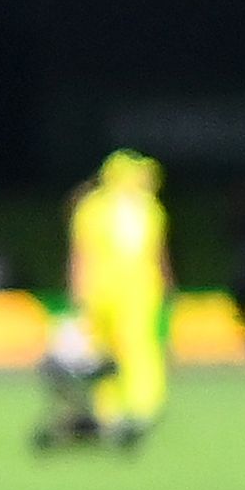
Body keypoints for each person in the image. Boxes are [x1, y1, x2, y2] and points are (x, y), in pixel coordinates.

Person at [66, 149, 169, 446]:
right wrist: (78, 286)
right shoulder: (94, 207)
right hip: (102, 288)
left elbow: (157, 251)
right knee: (101, 350)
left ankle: (144, 404)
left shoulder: (150, 208)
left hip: (138, 289)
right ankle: (107, 408)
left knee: (138, 343)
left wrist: (163, 281)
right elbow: (82, 252)